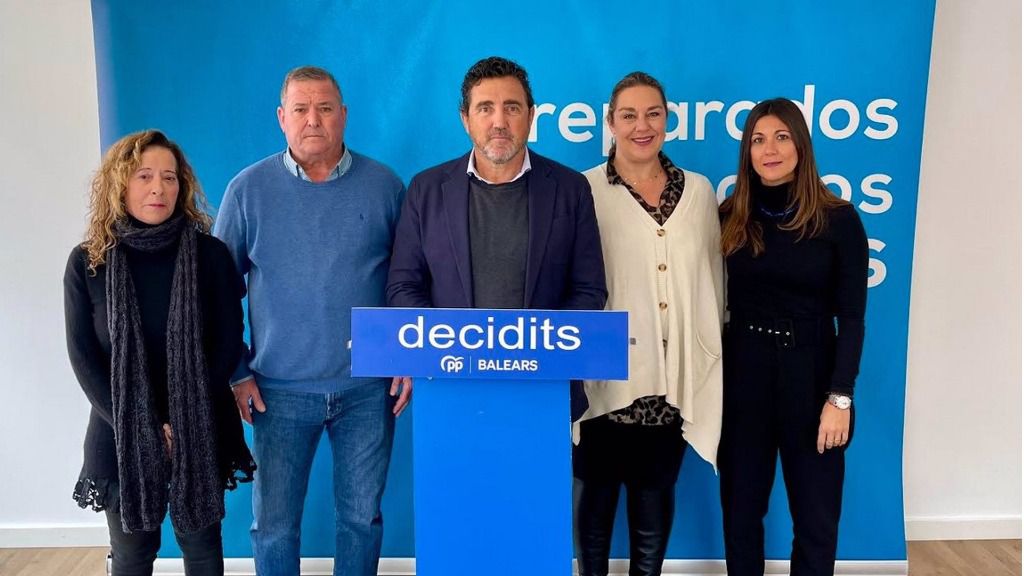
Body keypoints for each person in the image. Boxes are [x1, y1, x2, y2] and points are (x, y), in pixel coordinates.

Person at [213, 66, 407, 576]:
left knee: (361, 520)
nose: (313, 119)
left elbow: (408, 280)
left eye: (324, 108)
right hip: (277, 390)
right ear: (282, 118)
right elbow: (216, 292)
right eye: (301, 109)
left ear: (344, 115)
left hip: (368, 388)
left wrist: (406, 357)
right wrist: (236, 371)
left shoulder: (385, 186)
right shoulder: (247, 190)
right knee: (274, 526)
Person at [64, 129, 255, 576]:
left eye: (169, 177)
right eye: (144, 176)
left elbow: (228, 339)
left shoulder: (210, 255)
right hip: (118, 429)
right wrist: (142, 425)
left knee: (202, 549)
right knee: (132, 554)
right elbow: (83, 357)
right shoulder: (88, 262)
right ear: (120, 184)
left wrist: (182, 416)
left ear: (181, 186)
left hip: (200, 426)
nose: (158, 188)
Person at [573, 72, 724, 576]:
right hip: (605, 375)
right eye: (629, 115)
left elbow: (712, 280)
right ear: (610, 122)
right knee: (595, 497)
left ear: (667, 119)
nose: (642, 126)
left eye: (653, 114)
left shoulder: (697, 191)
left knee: (654, 495)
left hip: (671, 378)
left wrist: (706, 351)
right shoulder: (584, 189)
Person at [718, 97, 868, 576]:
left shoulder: (839, 219)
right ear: (747, 151)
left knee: (816, 519)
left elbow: (853, 318)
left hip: (812, 378)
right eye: (758, 140)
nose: (770, 150)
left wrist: (840, 397)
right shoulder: (730, 216)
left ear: (801, 145)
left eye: (781, 137)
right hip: (744, 378)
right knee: (741, 514)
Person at [386, 55, 606, 332]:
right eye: (485, 108)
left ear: (531, 116)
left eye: (512, 108)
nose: (499, 122)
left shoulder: (571, 189)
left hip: (543, 358)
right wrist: (444, 340)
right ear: (465, 119)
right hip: (450, 357)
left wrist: (543, 343)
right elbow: (403, 287)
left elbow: (589, 290)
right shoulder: (425, 190)